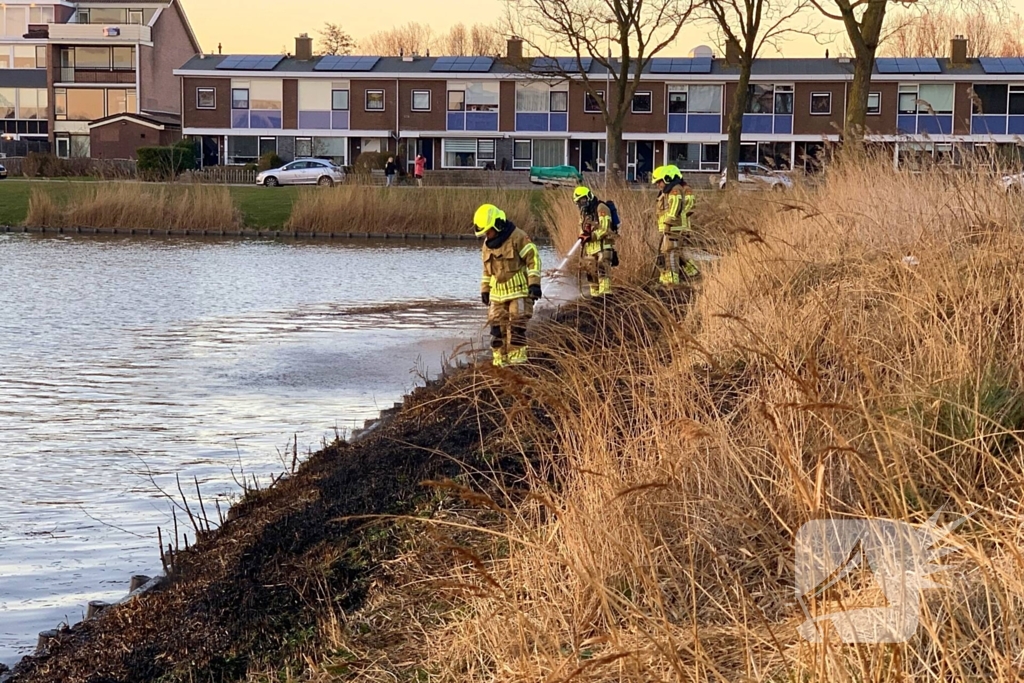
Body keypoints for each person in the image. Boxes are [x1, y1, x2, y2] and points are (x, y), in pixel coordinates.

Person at [474, 204, 542, 367]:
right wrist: (485, 289)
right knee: (496, 331)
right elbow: (486, 271)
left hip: (518, 291)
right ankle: (500, 365)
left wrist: (534, 284)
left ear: (498, 224)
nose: (487, 235)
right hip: (497, 295)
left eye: (488, 231)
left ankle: (518, 364)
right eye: (485, 233)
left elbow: (533, 261)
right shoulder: (486, 245)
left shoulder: (518, 237)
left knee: (516, 327)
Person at [652, 165, 698, 286]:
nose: (658, 185)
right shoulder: (667, 191)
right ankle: (690, 274)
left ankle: (682, 276)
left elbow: (680, 209)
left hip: (675, 227)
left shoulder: (677, 190)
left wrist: (669, 222)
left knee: (673, 252)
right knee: (671, 253)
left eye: (659, 182)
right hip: (668, 227)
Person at [573, 186, 616, 297]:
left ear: (588, 197)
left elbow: (606, 229)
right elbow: (582, 230)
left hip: (603, 247)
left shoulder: (601, 208)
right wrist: (582, 236)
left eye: (582, 200)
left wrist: (590, 236)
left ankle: (605, 297)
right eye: (578, 202)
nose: (581, 205)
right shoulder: (584, 214)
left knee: (602, 271)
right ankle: (595, 298)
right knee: (591, 274)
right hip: (591, 249)